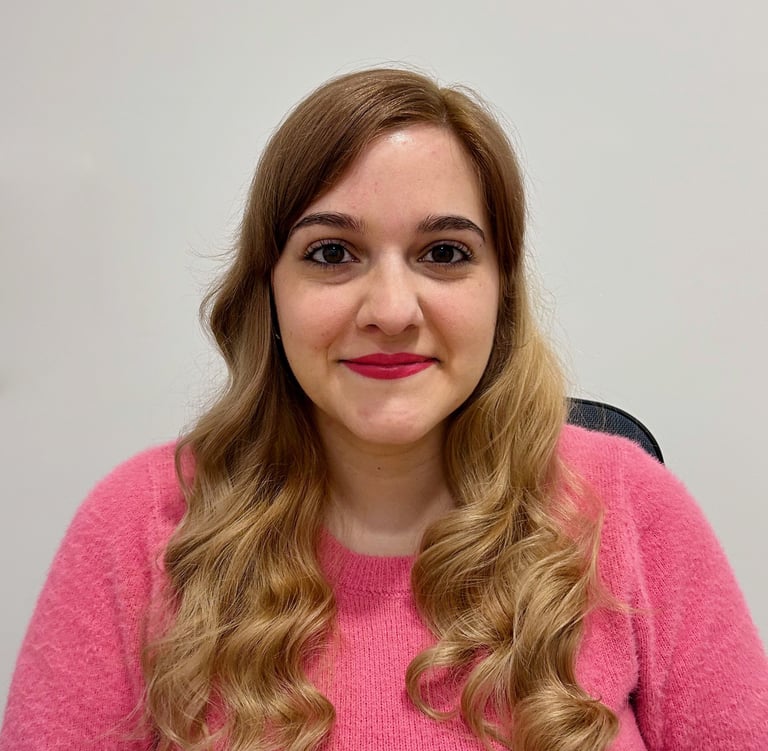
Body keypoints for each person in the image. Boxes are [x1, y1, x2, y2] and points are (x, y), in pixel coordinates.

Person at [1, 68, 766, 751]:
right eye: (332, 253)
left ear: (501, 291)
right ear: (268, 289)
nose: (393, 309)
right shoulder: (137, 528)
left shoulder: (630, 508)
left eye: (444, 253)